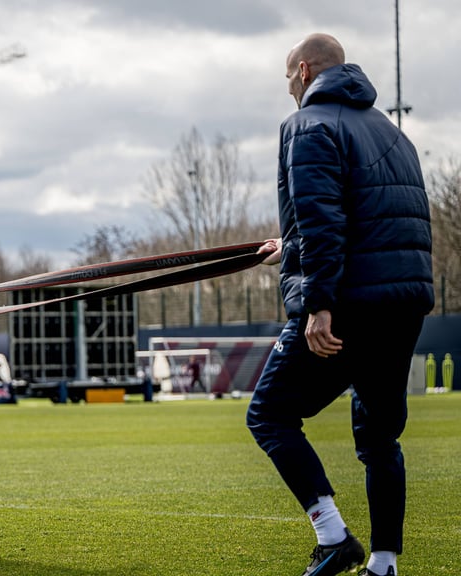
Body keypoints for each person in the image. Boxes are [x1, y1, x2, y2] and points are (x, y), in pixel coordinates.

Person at [248, 34, 433, 576]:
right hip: (404, 302)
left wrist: (318, 304)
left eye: (287, 79)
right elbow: (364, 220)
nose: (288, 90)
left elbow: (324, 219)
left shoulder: (307, 125)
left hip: (348, 303)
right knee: (380, 438)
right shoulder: (395, 135)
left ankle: (334, 538)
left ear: (304, 70)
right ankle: (383, 564)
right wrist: (292, 246)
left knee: (270, 414)